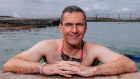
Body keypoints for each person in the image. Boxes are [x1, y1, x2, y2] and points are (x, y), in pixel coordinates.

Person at [2, 6, 137, 77]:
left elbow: (130, 65)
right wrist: (45, 68)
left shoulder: (93, 49)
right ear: (60, 28)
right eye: (68, 25)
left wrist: (93, 70)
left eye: (79, 24)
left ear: (86, 28)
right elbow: (9, 65)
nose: (74, 30)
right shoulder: (47, 46)